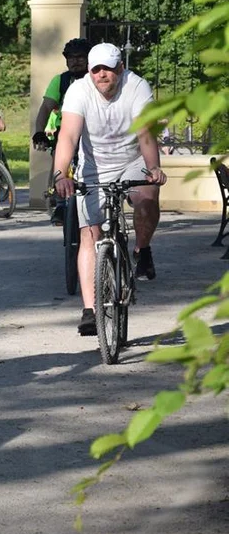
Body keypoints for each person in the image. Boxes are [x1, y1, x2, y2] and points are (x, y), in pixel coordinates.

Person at [52, 42, 166, 336]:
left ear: (120, 68)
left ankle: (142, 248)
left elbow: (145, 134)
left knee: (146, 198)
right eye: (96, 69)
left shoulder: (137, 87)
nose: (102, 75)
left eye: (108, 69)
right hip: (94, 166)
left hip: (133, 159)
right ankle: (90, 310)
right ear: (90, 71)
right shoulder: (78, 90)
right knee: (89, 234)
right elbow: (68, 135)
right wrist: (59, 174)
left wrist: (153, 168)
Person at [34, 38, 92, 224]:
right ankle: (59, 203)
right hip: (67, 128)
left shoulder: (95, 78)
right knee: (61, 161)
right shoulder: (61, 80)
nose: (75, 61)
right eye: (71, 58)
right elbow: (46, 107)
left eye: (80, 57)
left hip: (93, 130)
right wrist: (39, 132)